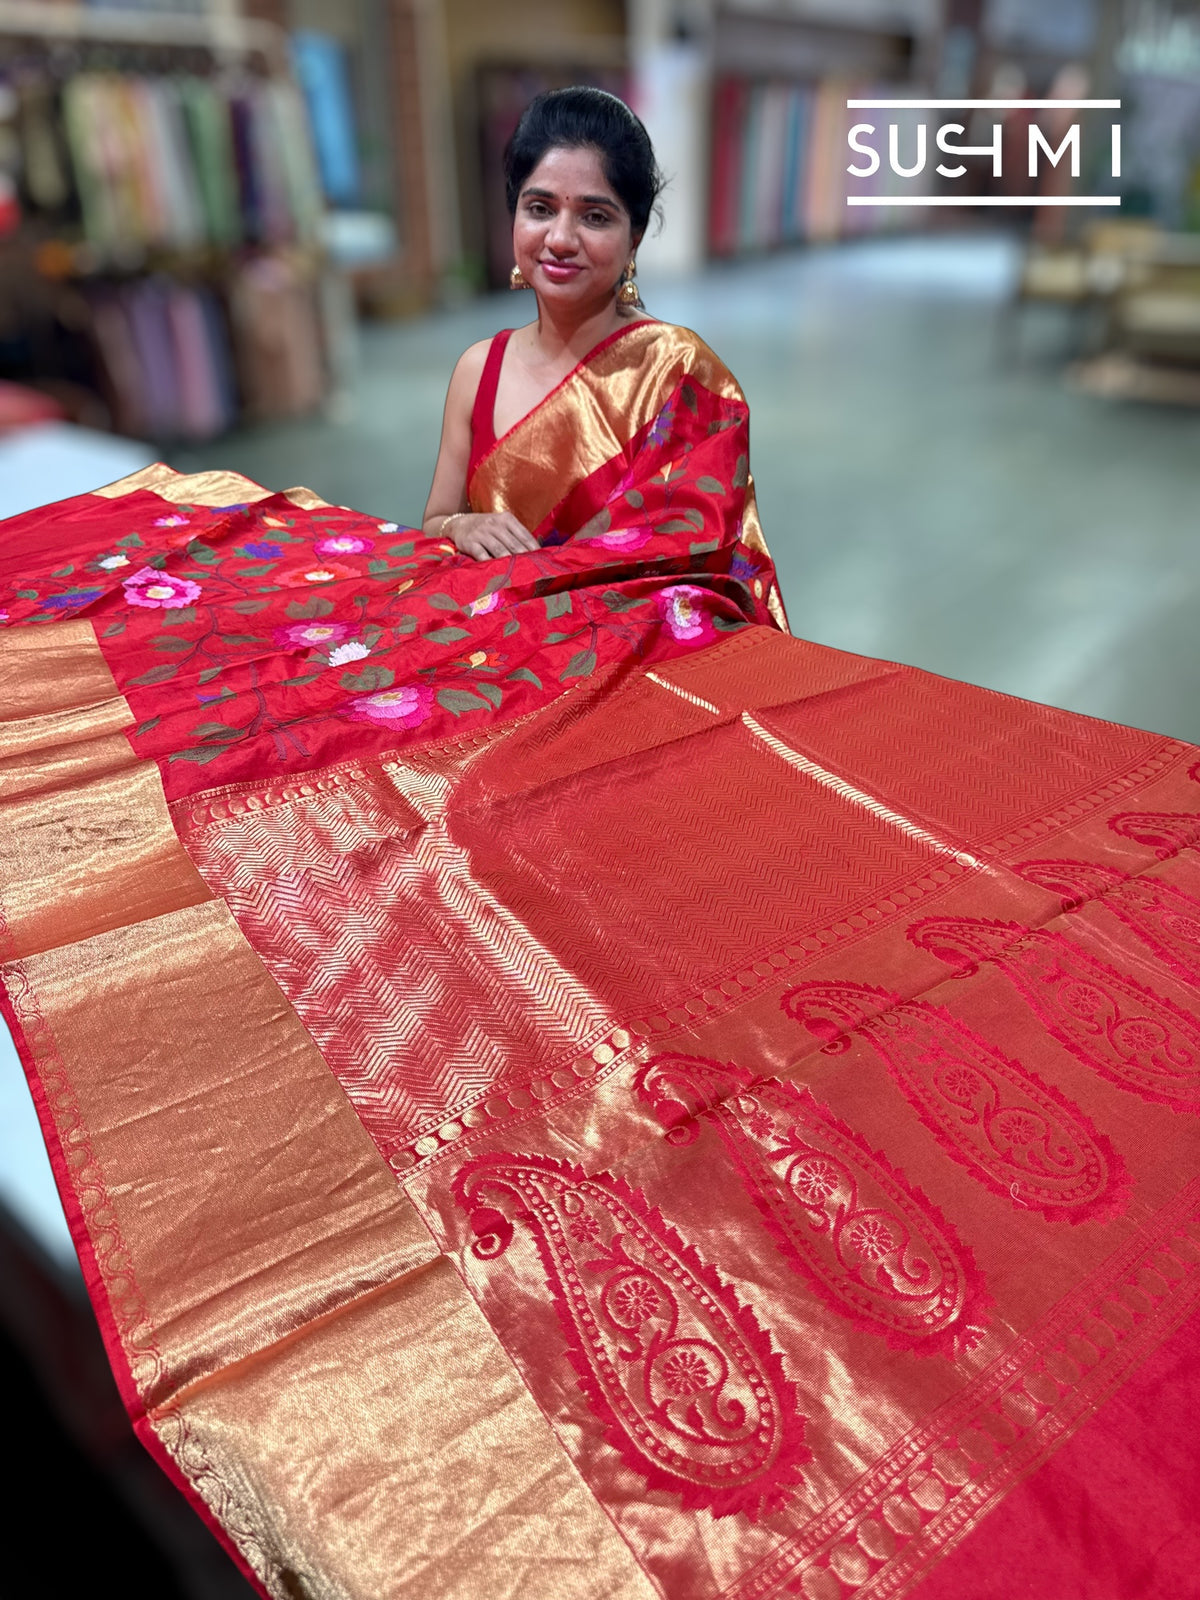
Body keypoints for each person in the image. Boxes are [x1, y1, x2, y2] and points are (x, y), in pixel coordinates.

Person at [3, 85, 1199, 1600]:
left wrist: (560, 578)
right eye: (542, 205)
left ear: (635, 234)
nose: (561, 233)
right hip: (501, 648)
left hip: (621, 649)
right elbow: (431, 524)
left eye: (596, 211)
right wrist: (466, 551)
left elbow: (696, 547)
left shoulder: (675, 371)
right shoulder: (482, 365)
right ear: (514, 219)